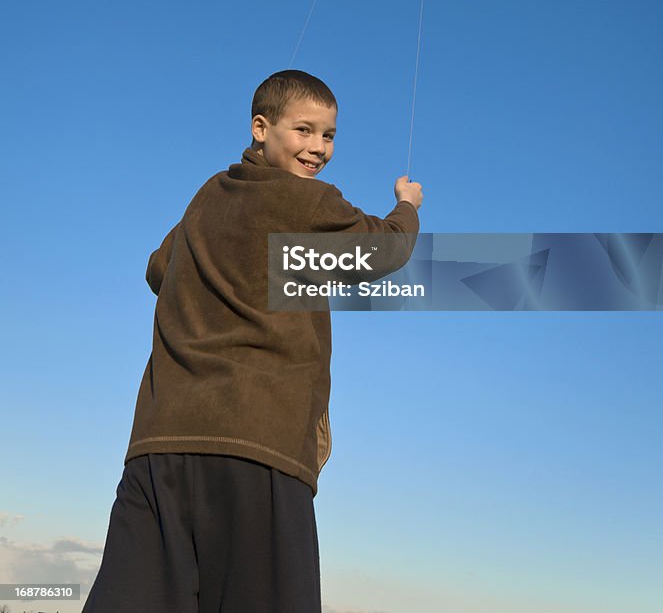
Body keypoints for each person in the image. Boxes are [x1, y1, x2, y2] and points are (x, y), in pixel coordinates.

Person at [82, 69, 422, 613]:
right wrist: (407, 206)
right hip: (258, 449)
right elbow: (385, 250)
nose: (318, 148)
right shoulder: (307, 203)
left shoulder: (206, 197)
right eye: (304, 130)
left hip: (158, 445)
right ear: (260, 128)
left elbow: (157, 268)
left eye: (329, 135)